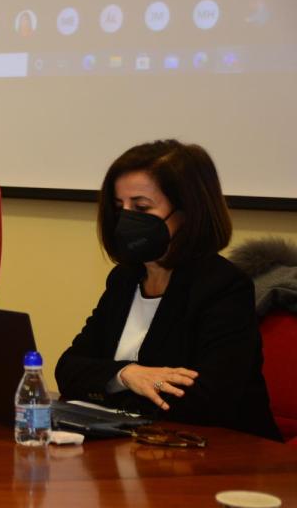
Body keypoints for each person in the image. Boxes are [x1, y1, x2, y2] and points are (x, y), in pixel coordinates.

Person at [55, 140, 281, 440]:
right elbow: (69, 369)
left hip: (222, 452)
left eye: (141, 207)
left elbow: (208, 401)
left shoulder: (223, 286)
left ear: (188, 212)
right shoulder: (124, 279)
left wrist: (110, 386)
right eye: (119, 207)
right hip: (135, 447)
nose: (125, 219)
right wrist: (127, 375)